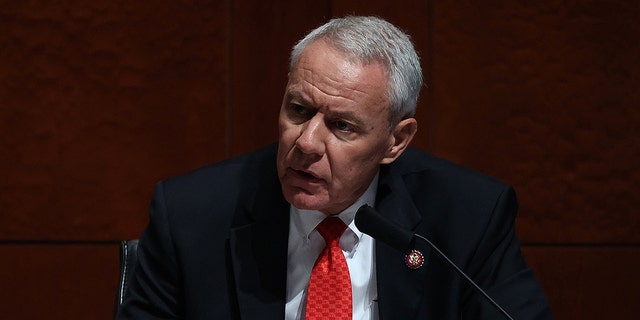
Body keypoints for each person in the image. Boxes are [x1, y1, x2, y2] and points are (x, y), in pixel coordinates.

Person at [117, 16, 553, 320]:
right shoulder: (191, 215)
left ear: (396, 141)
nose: (305, 143)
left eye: (342, 126)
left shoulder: (467, 218)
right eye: (298, 109)